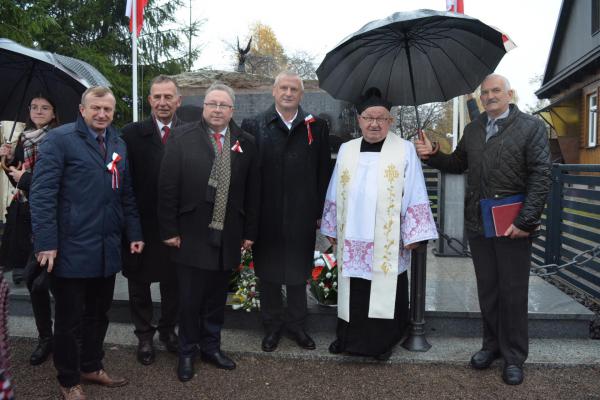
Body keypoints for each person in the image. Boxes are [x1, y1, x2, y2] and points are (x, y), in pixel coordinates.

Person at [415, 74, 551, 385]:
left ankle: (514, 356)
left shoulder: (531, 128)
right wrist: (432, 153)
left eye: (495, 91)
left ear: (509, 93)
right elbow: (457, 163)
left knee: (513, 293)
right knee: (488, 291)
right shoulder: (473, 129)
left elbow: (541, 176)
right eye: (485, 92)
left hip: (513, 225)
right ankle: (491, 346)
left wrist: (525, 221)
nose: (489, 96)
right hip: (479, 223)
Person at [30, 86, 144, 400]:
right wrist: (46, 243)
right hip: (69, 249)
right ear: (82, 110)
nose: (102, 114)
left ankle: (91, 366)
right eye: (96, 108)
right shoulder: (60, 140)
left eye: (107, 109)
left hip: (106, 249)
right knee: (69, 321)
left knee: (99, 313)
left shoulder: (118, 143)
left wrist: (134, 233)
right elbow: (41, 196)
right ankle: (69, 379)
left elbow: (127, 195)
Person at [320, 88, 438, 360]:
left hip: (388, 237)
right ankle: (347, 338)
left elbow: (415, 190)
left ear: (391, 121)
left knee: (385, 288)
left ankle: (381, 343)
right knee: (354, 288)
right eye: (368, 117)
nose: (374, 123)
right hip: (352, 234)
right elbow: (334, 190)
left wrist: (414, 233)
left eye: (381, 118)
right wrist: (330, 226)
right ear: (359, 120)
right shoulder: (347, 150)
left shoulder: (405, 150)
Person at [158, 82, 259, 382]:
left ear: (232, 110)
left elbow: (254, 191)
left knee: (216, 298)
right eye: (212, 104)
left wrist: (249, 232)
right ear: (203, 107)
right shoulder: (181, 137)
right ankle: (187, 351)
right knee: (189, 299)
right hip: (190, 232)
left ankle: (211, 347)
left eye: (223, 105)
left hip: (228, 233)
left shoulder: (246, 141)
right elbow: (166, 187)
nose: (217, 110)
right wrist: (169, 230)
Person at [241, 71, 330, 353]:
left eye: (294, 89)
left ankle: (297, 326)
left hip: (301, 214)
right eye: (283, 88)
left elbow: (322, 172)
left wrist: (319, 211)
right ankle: (272, 326)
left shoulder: (315, 127)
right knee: (267, 273)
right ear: (274, 91)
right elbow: (247, 173)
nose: (289, 93)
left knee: (297, 272)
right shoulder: (254, 125)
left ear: (301, 95)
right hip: (266, 213)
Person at [121, 75, 184, 365]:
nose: (162, 102)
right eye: (157, 97)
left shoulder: (190, 131)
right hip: (141, 225)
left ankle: (168, 331)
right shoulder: (132, 134)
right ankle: (144, 336)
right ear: (149, 100)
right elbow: (124, 183)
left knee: (174, 284)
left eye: (168, 97)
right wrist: (131, 227)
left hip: (177, 226)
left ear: (178, 100)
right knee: (139, 285)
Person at [0, 94, 59, 366]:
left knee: (48, 282)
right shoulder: (24, 139)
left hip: (51, 220)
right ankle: (45, 337)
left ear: (54, 113)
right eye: (34, 107)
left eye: (44, 108)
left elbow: (54, 182)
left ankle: (63, 336)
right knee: (36, 285)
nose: (38, 111)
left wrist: (25, 178)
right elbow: (15, 174)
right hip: (26, 215)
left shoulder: (58, 139)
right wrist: (5, 158)